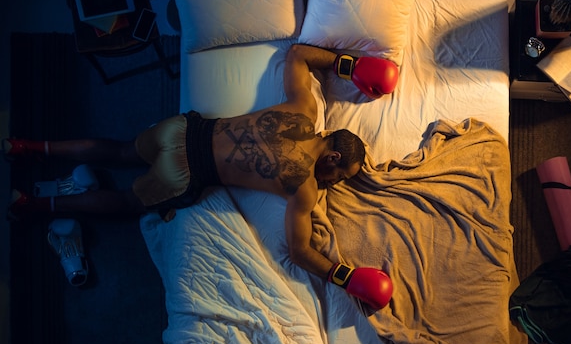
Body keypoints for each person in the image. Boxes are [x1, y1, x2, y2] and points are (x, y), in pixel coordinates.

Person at [5, 43, 396, 308]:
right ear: (330, 158)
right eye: (340, 176)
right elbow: (299, 252)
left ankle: (25, 147)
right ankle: (32, 204)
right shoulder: (305, 188)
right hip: (184, 173)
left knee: (120, 150)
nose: (335, 184)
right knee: (127, 202)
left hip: (181, 130)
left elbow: (297, 54)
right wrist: (345, 277)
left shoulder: (303, 108)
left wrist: (351, 65)